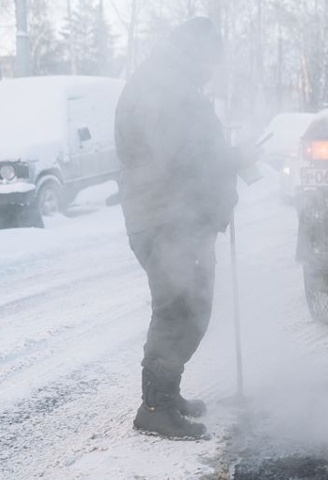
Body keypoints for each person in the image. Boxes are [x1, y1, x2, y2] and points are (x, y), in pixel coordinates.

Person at [114, 17, 257, 439]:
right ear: (196, 53)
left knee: (185, 308)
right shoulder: (165, 90)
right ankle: (155, 407)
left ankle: (166, 395)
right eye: (210, 60)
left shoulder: (166, 82)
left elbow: (190, 149)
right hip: (167, 221)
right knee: (180, 310)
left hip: (171, 218)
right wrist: (233, 158)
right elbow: (181, 158)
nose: (212, 70)